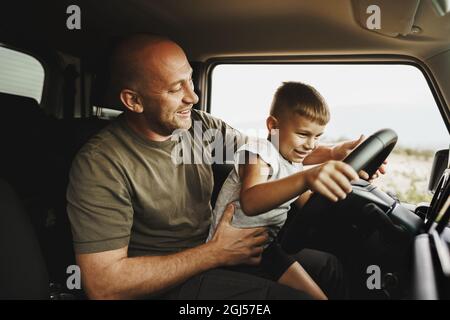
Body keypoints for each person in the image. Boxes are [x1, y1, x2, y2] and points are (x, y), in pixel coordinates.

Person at [66, 34, 380, 300]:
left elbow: (272, 148)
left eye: (190, 79)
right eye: (176, 89)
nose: (193, 95)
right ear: (134, 101)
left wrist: (336, 152)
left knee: (330, 268)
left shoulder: (198, 128)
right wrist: (215, 253)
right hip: (168, 286)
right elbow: (103, 285)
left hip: (221, 247)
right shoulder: (101, 164)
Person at [207, 82, 367, 300]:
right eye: (303, 134)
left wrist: (338, 167)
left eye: (317, 136)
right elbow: (251, 201)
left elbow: (306, 203)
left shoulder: (291, 160)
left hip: (267, 249)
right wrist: (306, 178)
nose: (311, 144)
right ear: (273, 126)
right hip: (233, 251)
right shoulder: (258, 154)